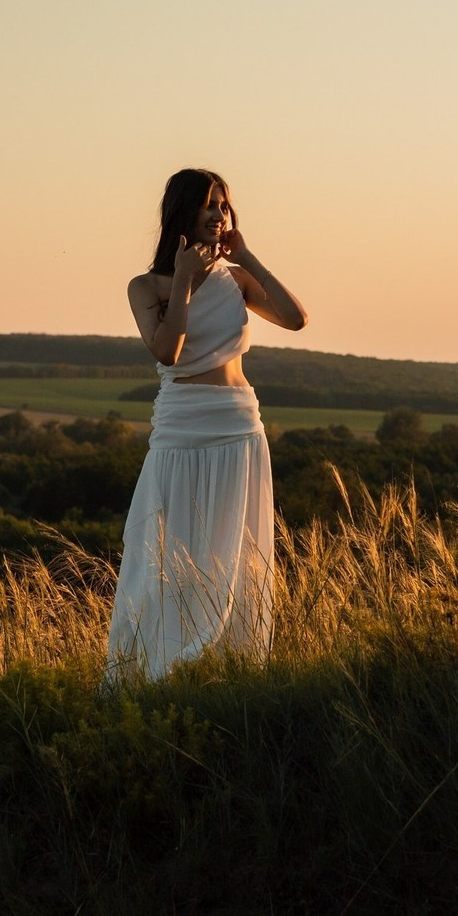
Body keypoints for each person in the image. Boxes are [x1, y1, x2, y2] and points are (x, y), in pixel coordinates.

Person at [106, 168, 308, 681]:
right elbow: (169, 353)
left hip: (239, 427)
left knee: (236, 555)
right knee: (170, 555)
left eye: (224, 205)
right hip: (181, 430)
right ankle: (159, 669)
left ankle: (229, 671)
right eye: (209, 205)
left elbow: (295, 318)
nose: (219, 215)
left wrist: (249, 258)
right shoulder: (146, 287)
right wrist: (182, 280)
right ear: (183, 211)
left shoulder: (237, 280)